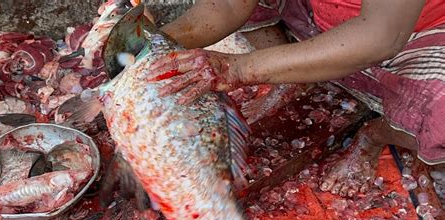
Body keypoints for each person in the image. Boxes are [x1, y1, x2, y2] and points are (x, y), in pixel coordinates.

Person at [147, 0, 445, 199]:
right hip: (314, 18)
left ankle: (373, 135)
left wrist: (240, 68)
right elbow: (226, 4)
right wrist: (153, 46)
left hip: (411, 37)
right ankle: (293, 76)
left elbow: (380, 37)